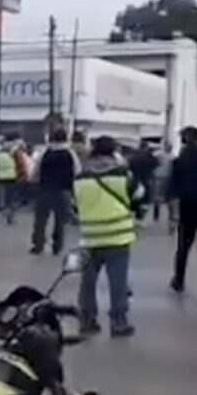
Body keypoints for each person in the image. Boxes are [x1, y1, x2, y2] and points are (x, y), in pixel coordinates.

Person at [74, 135, 135, 337]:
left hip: (90, 236)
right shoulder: (122, 173)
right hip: (118, 236)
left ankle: (87, 320)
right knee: (118, 281)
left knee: (88, 282)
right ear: (113, 152)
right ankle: (118, 322)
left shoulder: (80, 177)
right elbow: (140, 195)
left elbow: (74, 206)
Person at [31, 127, 77, 255]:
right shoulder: (70, 154)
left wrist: (34, 182)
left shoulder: (45, 153)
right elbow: (77, 171)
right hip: (63, 190)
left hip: (45, 189)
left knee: (40, 220)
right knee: (60, 221)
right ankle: (57, 245)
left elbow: (36, 170)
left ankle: (38, 244)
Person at [168, 126, 197, 294]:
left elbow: (172, 188)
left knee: (183, 247)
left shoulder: (179, 161)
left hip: (186, 207)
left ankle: (178, 281)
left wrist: (172, 215)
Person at [129, 139, 159, 222]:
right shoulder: (149, 156)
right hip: (147, 180)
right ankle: (140, 217)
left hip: (135, 180)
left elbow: (129, 167)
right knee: (145, 200)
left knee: (135, 198)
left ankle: (134, 214)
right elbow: (156, 164)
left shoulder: (133, 156)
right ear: (146, 147)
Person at [0, 140, 20, 223]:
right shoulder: (13, 155)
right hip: (12, 176)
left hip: (1, 176)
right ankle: (11, 214)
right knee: (12, 196)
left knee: (4, 194)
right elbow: (19, 165)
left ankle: (4, 209)